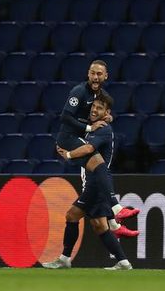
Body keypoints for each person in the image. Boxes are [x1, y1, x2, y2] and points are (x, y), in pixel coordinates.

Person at [45, 94, 133, 270]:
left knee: (72, 216)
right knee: (99, 225)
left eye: (99, 108)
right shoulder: (94, 126)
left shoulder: (103, 129)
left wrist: (68, 155)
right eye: (93, 106)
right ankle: (123, 262)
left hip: (96, 183)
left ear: (106, 112)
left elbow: (88, 148)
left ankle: (64, 259)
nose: (94, 110)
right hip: (96, 183)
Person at [57, 60, 138, 237]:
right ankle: (116, 211)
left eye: (99, 74)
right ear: (88, 74)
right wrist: (88, 129)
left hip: (80, 138)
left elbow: (101, 113)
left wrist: (109, 117)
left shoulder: (102, 96)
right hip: (68, 138)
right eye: (93, 73)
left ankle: (114, 224)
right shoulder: (79, 91)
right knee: (99, 164)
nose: (95, 77)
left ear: (105, 76)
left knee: (101, 170)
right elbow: (65, 117)